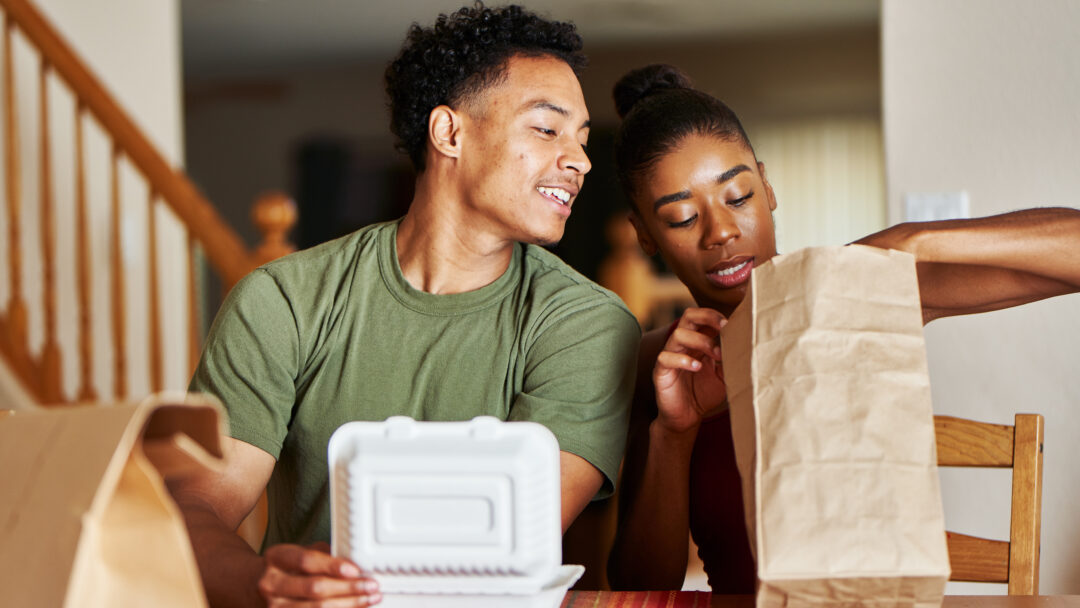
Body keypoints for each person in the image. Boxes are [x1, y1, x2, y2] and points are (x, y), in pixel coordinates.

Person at [169, 6, 641, 607]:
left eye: (582, 139)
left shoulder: (587, 324)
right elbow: (196, 505)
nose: (580, 161)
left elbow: (514, 531)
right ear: (450, 133)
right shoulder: (284, 299)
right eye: (547, 130)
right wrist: (264, 585)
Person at [604, 64, 1080, 593]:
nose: (721, 232)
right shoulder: (660, 363)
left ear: (767, 187)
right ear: (645, 235)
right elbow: (641, 585)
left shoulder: (854, 293)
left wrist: (916, 240)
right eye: (681, 218)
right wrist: (675, 432)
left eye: (738, 197)